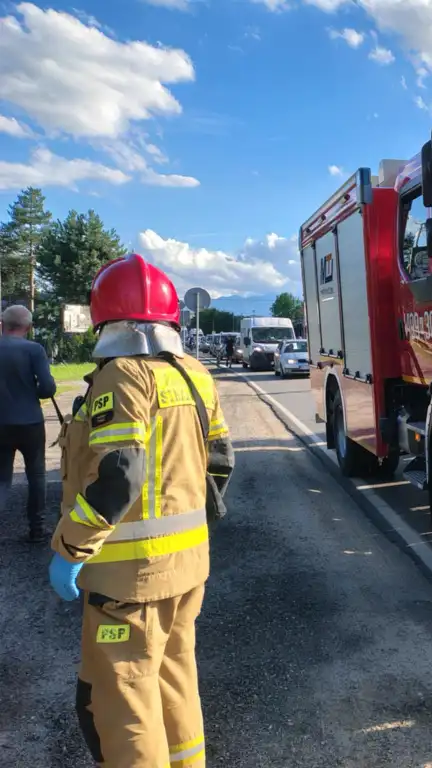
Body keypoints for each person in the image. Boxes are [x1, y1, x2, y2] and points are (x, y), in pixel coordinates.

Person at [47, 253, 235, 767]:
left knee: (122, 700)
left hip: (128, 582)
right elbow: (219, 464)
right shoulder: (193, 374)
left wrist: (69, 548)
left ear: (105, 317)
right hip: (186, 571)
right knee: (175, 680)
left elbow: (121, 475)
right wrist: (186, 534)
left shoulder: (121, 376)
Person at [0, 304, 57, 542]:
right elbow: (47, 389)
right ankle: (37, 528)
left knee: (2, 478)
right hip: (31, 422)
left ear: (2, 324)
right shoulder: (34, 349)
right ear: (29, 327)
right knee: (36, 475)